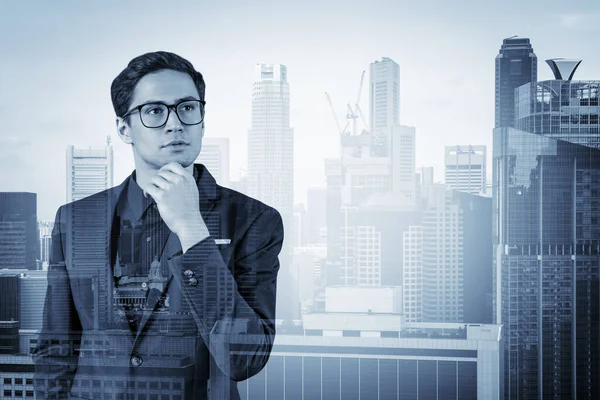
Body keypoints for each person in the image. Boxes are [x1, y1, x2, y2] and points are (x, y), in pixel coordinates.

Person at [33, 51, 284, 400]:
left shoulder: (255, 220)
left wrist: (192, 229)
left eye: (187, 107)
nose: (175, 123)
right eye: (154, 111)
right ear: (124, 128)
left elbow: (245, 358)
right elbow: (55, 348)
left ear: (202, 119)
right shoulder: (76, 219)